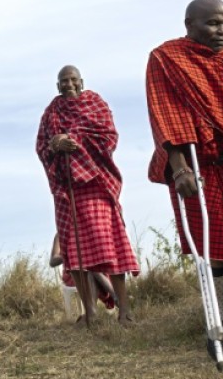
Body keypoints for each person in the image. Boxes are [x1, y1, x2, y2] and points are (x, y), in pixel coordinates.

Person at [146, 0, 223, 357]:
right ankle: (219, 330)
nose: (221, 31)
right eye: (212, 24)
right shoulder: (166, 59)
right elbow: (166, 115)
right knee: (215, 247)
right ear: (190, 24)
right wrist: (179, 170)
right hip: (194, 166)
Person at [36, 65, 138, 326]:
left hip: (97, 184)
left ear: (81, 82)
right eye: (63, 81)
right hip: (68, 190)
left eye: (72, 80)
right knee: (74, 252)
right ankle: (90, 312)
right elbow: (42, 145)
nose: (68, 84)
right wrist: (55, 145)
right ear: (57, 85)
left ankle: (124, 310)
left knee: (110, 245)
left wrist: (74, 139)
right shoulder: (51, 112)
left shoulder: (96, 103)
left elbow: (108, 137)